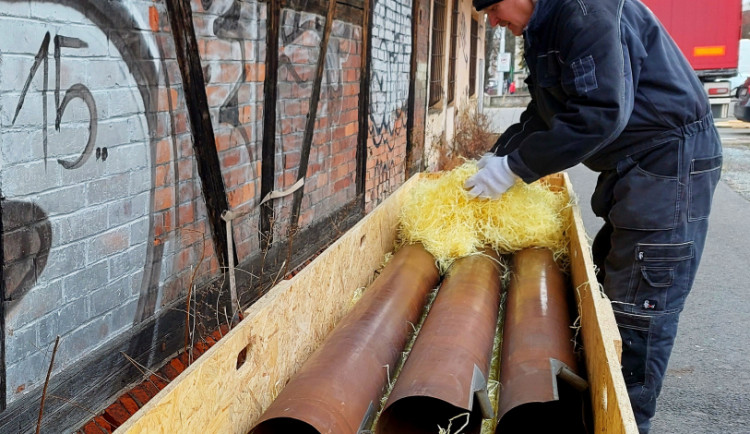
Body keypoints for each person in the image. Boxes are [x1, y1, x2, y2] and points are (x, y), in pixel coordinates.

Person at [464, 0, 722, 432]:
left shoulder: (584, 11)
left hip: (666, 163)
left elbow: (600, 113)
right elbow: (547, 113)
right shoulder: (547, 25)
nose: (491, 20)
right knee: (608, 290)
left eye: (492, 7)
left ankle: (624, 422)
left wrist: (513, 168)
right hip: (634, 165)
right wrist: (501, 153)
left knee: (638, 307)